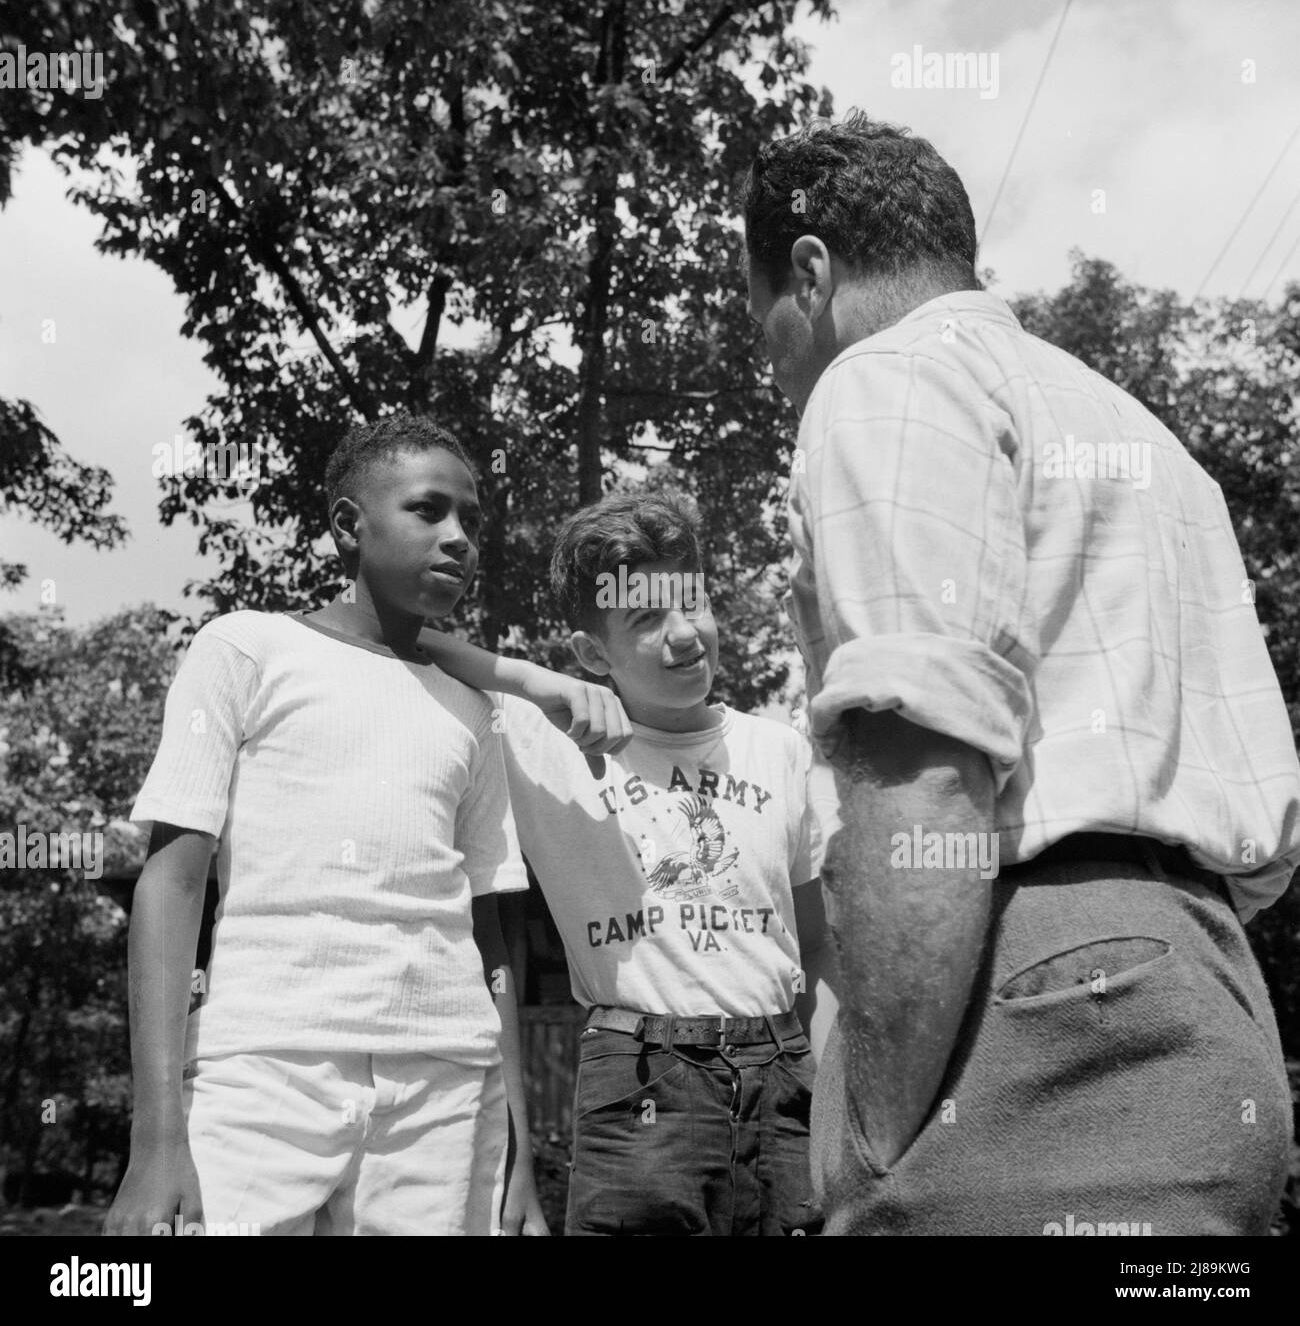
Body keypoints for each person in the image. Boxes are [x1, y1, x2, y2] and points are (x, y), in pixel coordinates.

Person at [742, 112, 1300, 1235]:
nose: (765, 353)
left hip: (1020, 999)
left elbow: (925, 773)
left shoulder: (882, 378)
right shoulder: (1146, 437)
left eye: (755, 315)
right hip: (1212, 1001)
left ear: (810, 269)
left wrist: (869, 1136)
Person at [104, 414, 546, 1236]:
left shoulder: (475, 711)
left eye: (474, 521)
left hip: (447, 1087)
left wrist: (517, 1142)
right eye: (429, 510)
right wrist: (157, 1137)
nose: (459, 538)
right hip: (262, 1066)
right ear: (348, 525)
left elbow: (492, 931)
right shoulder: (244, 650)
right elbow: (172, 882)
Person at [422, 488, 836, 1235]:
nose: (685, 635)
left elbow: (817, 948)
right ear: (590, 653)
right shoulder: (542, 740)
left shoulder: (783, 750)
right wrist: (536, 680)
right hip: (643, 1076)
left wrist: (833, 1100)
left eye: (692, 603)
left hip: (785, 1075)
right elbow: (404, 635)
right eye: (645, 618)